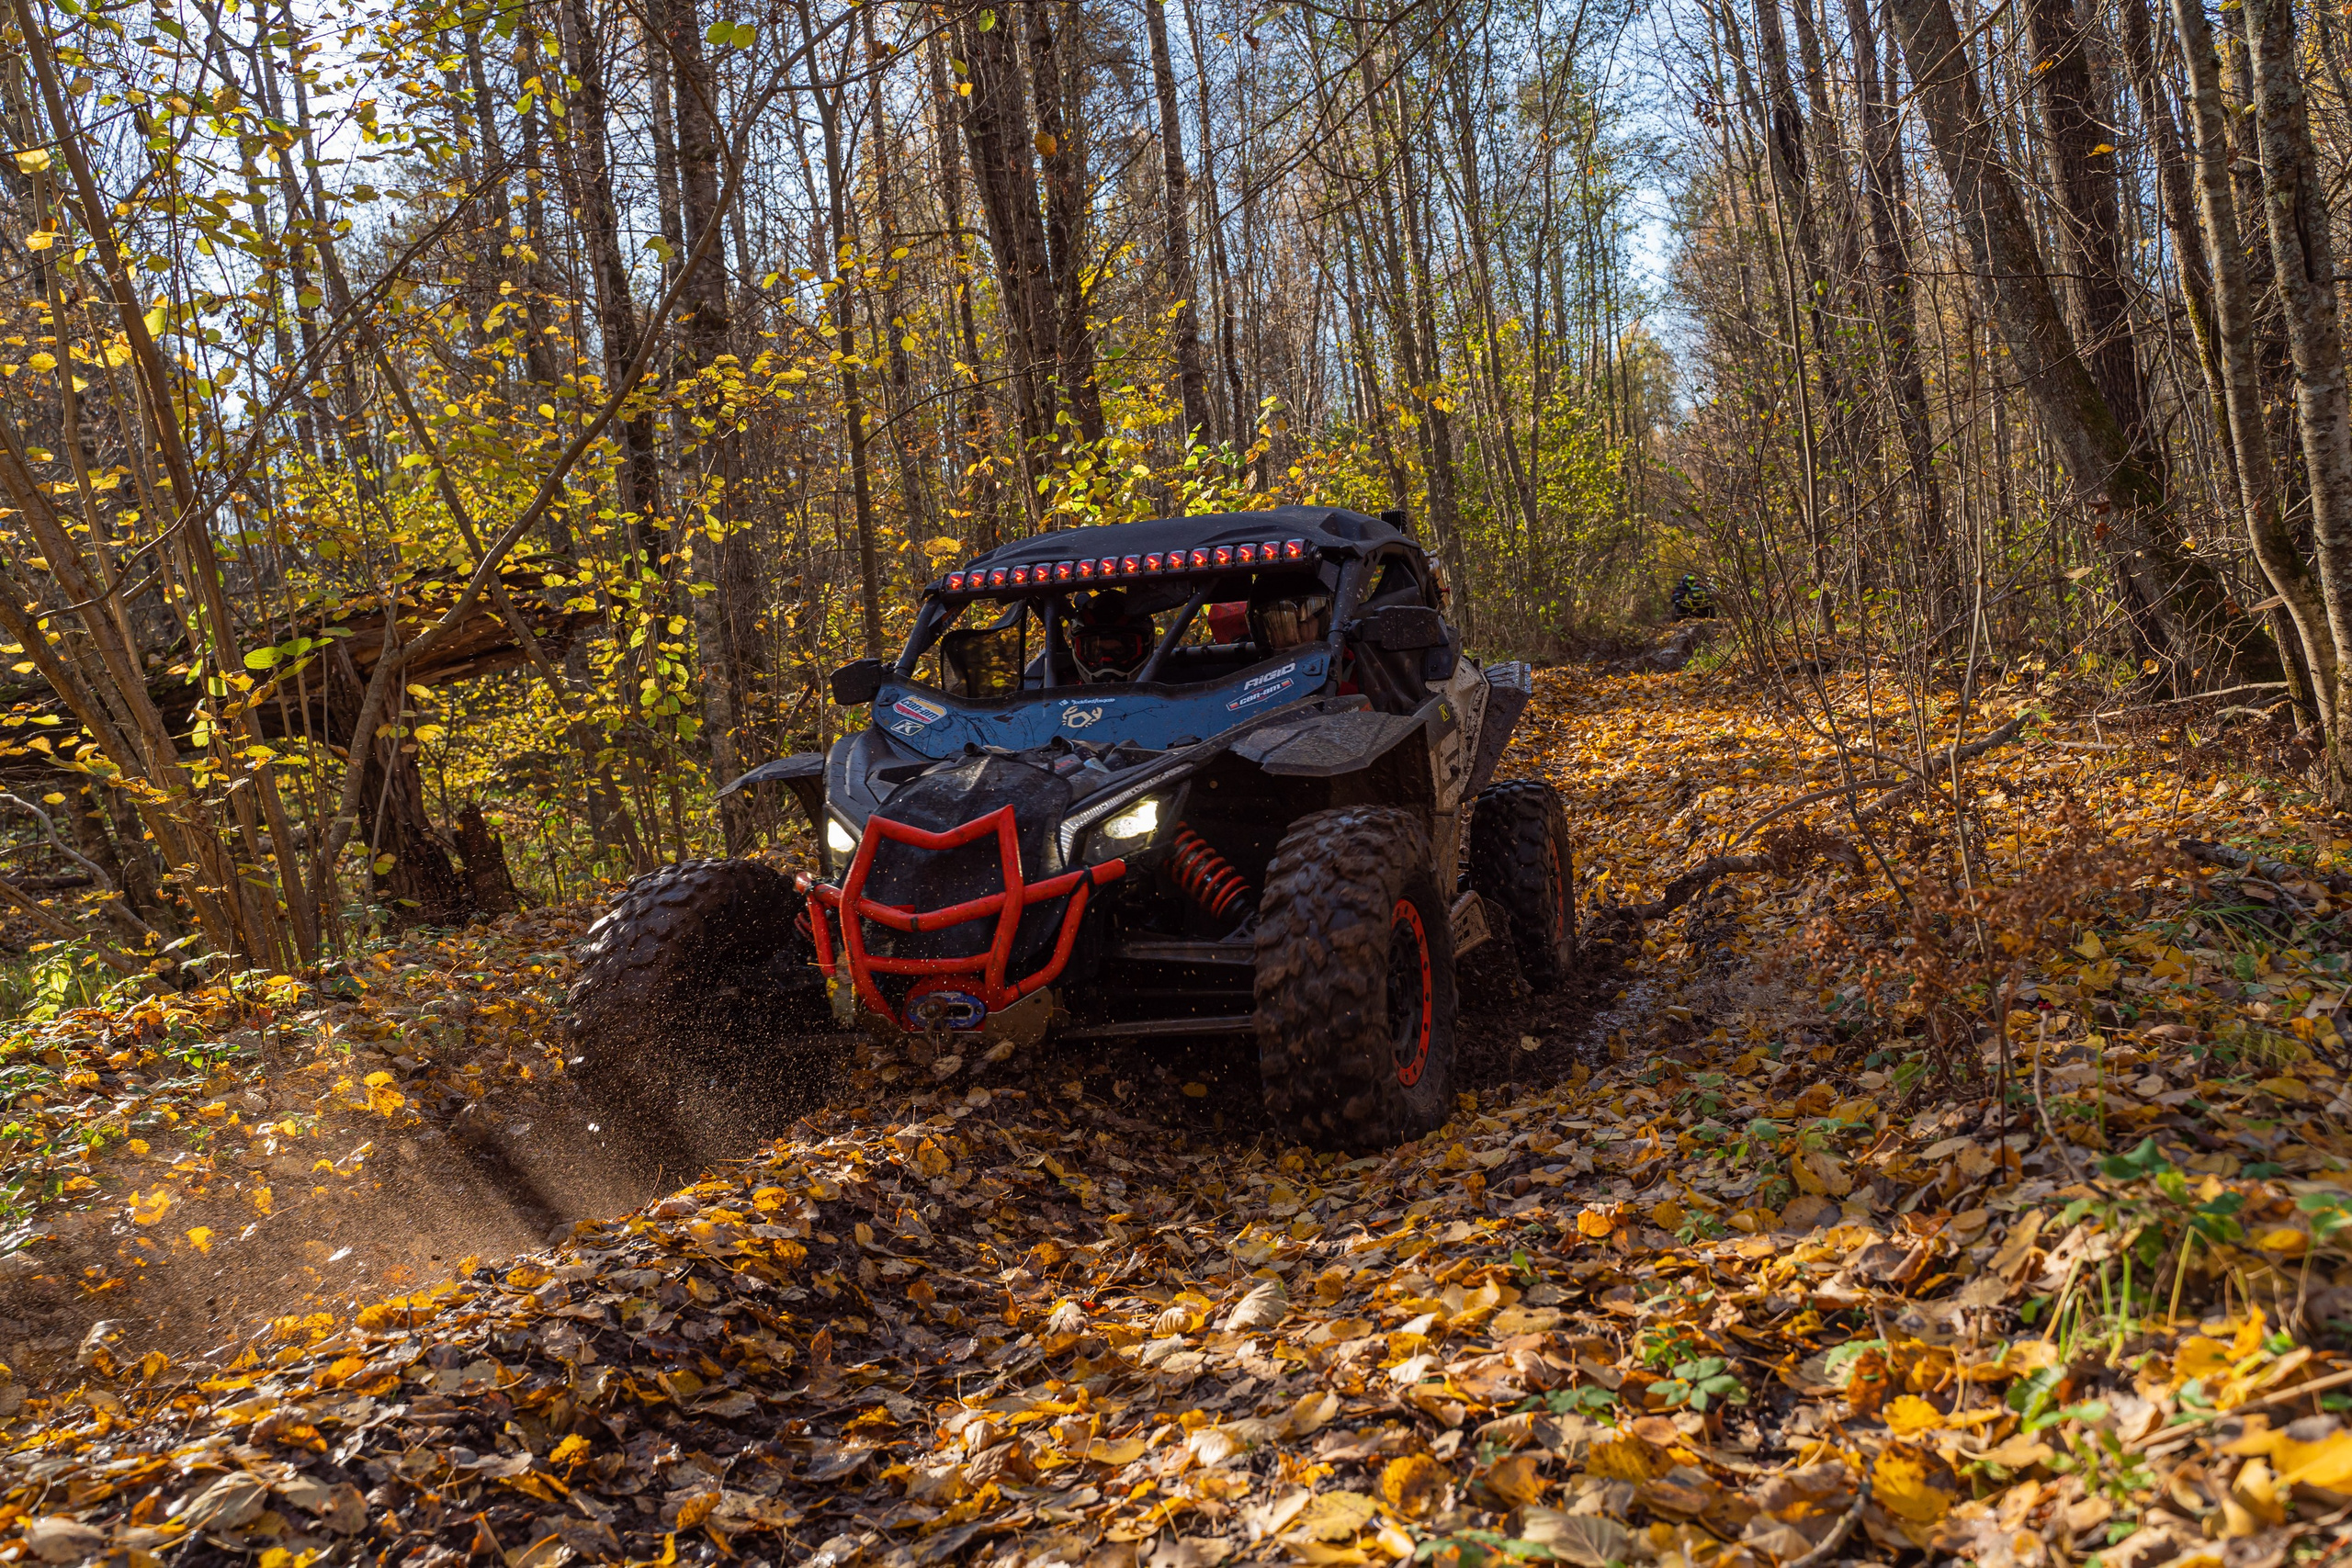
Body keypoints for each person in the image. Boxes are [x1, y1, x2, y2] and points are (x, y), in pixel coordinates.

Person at [1070, 592, 1157, 682]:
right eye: (1097, 651)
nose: (1106, 661)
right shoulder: (1065, 686)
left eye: (1119, 651)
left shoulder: (1164, 687)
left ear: (1145, 648)